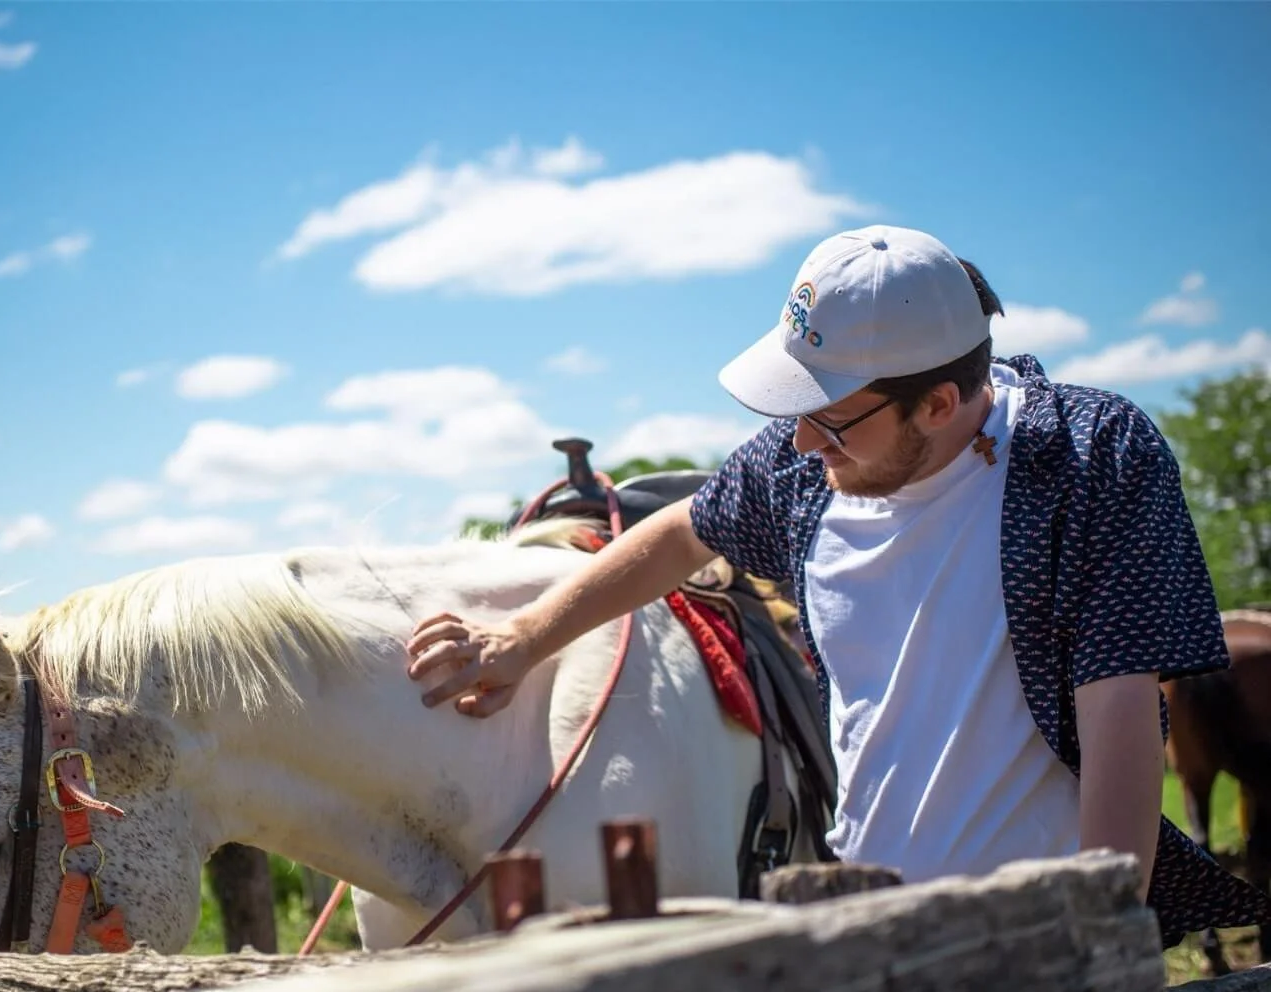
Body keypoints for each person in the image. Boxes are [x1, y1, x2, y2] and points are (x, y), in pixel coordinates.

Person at [404, 223, 1271, 946]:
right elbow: (679, 533)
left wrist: (1099, 931)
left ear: (937, 402)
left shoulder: (1089, 458)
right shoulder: (799, 471)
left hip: (1038, 933)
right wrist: (519, 642)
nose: (804, 445)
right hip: (868, 925)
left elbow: (1118, 706)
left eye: (831, 419)